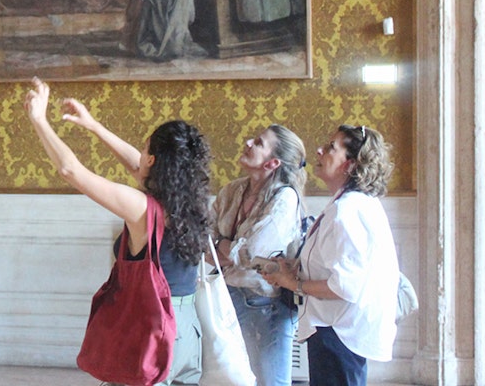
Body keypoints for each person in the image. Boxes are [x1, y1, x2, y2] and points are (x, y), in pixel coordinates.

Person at [23, 77, 211, 385]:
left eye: (145, 148)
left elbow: (72, 171)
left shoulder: (142, 208)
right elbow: (139, 167)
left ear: (153, 159)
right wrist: (94, 126)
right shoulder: (190, 202)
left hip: (154, 325)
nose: (139, 154)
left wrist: (40, 121)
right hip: (187, 331)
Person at [262, 125, 400, 386]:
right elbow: (332, 261)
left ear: (350, 164)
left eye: (331, 148)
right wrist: (293, 266)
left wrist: (292, 283)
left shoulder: (348, 211)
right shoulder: (348, 204)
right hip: (336, 331)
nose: (320, 150)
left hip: (339, 333)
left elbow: (345, 286)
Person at [211, 125, 308, 386]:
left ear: (272, 162)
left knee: (270, 382)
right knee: (231, 379)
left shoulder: (285, 198)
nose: (248, 143)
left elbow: (252, 251)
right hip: (226, 296)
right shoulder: (231, 191)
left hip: (267, 302)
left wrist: (221, 246)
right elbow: (203, 241)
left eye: (258, 143)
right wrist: (225, 247)